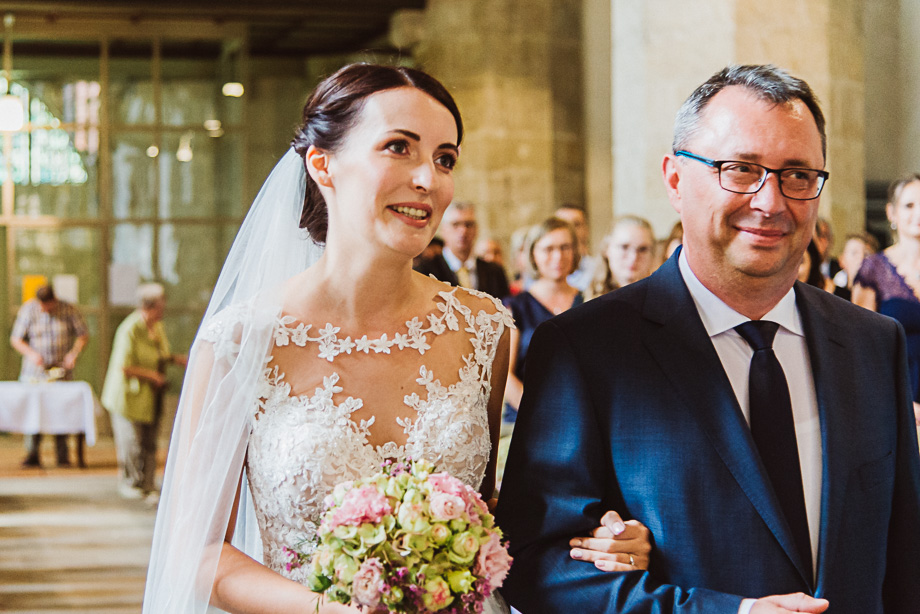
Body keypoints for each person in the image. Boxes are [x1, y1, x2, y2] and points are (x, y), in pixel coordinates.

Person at [142, 63, 646, 614]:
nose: (428, 179)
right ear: (322, 163)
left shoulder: (484, 329)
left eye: (444, 158)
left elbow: (495, 514)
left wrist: (593, 539)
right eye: (398, 148)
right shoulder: (240, 342)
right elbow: (199, 551)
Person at [497, 64, 920, 614]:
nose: (770, 202)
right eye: (740, 169)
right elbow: (536, 564)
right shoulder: (588, 349)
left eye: (797, 175)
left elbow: (903, 552)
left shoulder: (871, 342)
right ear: (675, 179)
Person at [101, 283, 186, 501]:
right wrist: (153, 376)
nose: (163, 310)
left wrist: (179, 359)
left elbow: (161, 354)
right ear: (149, 307)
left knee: (150, 441)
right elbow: (125, 367)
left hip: (151, 397)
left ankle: (148, 482)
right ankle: (130, 482)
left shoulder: (157, 327)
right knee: (131, 442)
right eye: (160, 306)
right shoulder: (129, 329)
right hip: (127, 397)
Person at [852, 173, 920, 426]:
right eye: (910, 205)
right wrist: (899, 399)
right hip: (896, 395)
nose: (918, 213)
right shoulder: (874, 269)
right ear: (892, 213)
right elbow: (860, 346)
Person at [502, 217, 583, 425]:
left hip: (579, 417)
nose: (558, 256)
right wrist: (541, 415)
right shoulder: (515, 307)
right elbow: (505, 376)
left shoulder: (588, 300)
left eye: (565, 247)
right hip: (527, 420)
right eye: (548, 249)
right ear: (533, 254)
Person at [10, 283, 89, 468]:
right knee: (34, 411)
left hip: (61, 371)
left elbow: (83, 334)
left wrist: (73, 354)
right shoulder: (28, 310)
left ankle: (63, 455)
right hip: (35, 372)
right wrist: (31, 354)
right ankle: (32, 454)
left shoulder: (68, 309)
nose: (46, 309)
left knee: (61, 411)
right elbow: (16, 339)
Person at [414, 200, 511, 299]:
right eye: (455, 225)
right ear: (443, 230)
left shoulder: (495, 272)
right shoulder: (425, 272)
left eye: (468, 225)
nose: (463, 231)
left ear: (476, 229)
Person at [585, 215, 656, 301]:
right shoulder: (585, 302)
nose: (633, 257)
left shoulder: (663, 301)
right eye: (624, 247)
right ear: (607, 249)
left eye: (642, 249)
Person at [555, 203, 595, 291]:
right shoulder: (541, 276)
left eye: (576, 224)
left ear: (586, 230)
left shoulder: (597, 272)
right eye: (562, 225)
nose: (569, 230)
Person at [831, 232, 877, 301]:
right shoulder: (834, 295)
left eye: (866, 254)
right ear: (842, 260)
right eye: (854, 253)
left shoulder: (879, 296)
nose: (861, 258)